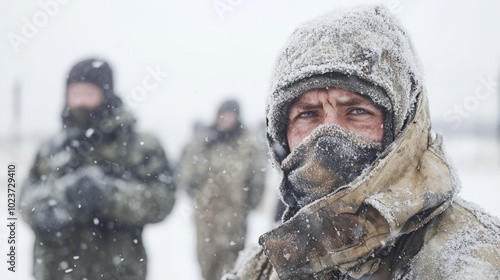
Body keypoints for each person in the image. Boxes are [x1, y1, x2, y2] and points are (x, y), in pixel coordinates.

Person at [224, 5, 500, 280]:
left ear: (403, 128)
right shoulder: (264, 267)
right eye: (308, 114)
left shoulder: (475, 260)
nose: (327, 135)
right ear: (281, 138)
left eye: (357, 111)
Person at [20, 58, 176, 280]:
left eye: (88, 93)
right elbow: (24, 202)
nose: (80, 102)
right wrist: (59, 199)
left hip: (118, 271)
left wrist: (110, 196)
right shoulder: (50, 148)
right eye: (75, 94)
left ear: (106, 95)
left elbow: (163, 199)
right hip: (56, 271)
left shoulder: (138, 145)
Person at [177, 99, 266, 280]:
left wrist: (245, 204)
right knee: (206, 265)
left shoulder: (247, 145)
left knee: (232, 268)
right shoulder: (203, 144)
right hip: (206, 219)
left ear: (237, 117)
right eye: (222, 114)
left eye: (230, 114)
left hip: (234, 220)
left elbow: (258, 179)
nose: (225, 118)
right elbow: (187, 175)